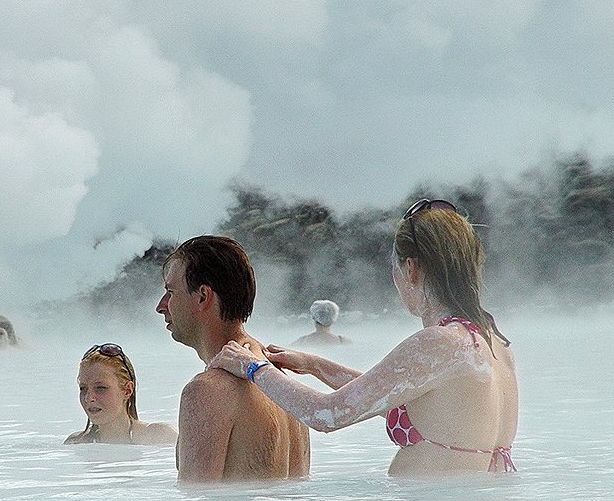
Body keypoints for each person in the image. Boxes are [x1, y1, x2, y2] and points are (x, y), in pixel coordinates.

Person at [209, 199, 518, 476]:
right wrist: (313, 364)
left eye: (394, 268)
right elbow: (386, 395)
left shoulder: (440, 343)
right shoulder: (493, 344)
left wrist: (253, 367)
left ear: (411, 268)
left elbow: (326, 414)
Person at [156, 235, 310, 482]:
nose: (161, 306)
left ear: (202, 297)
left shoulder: (207, 391)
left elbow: (196, 496)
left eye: (170, 292)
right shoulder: (280, 380)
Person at [64, 343, 177, 445]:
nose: (89, 398)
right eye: (83, 388)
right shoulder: (75, 444)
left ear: (127, 390)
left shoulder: (161, 437)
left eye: (100, 388)